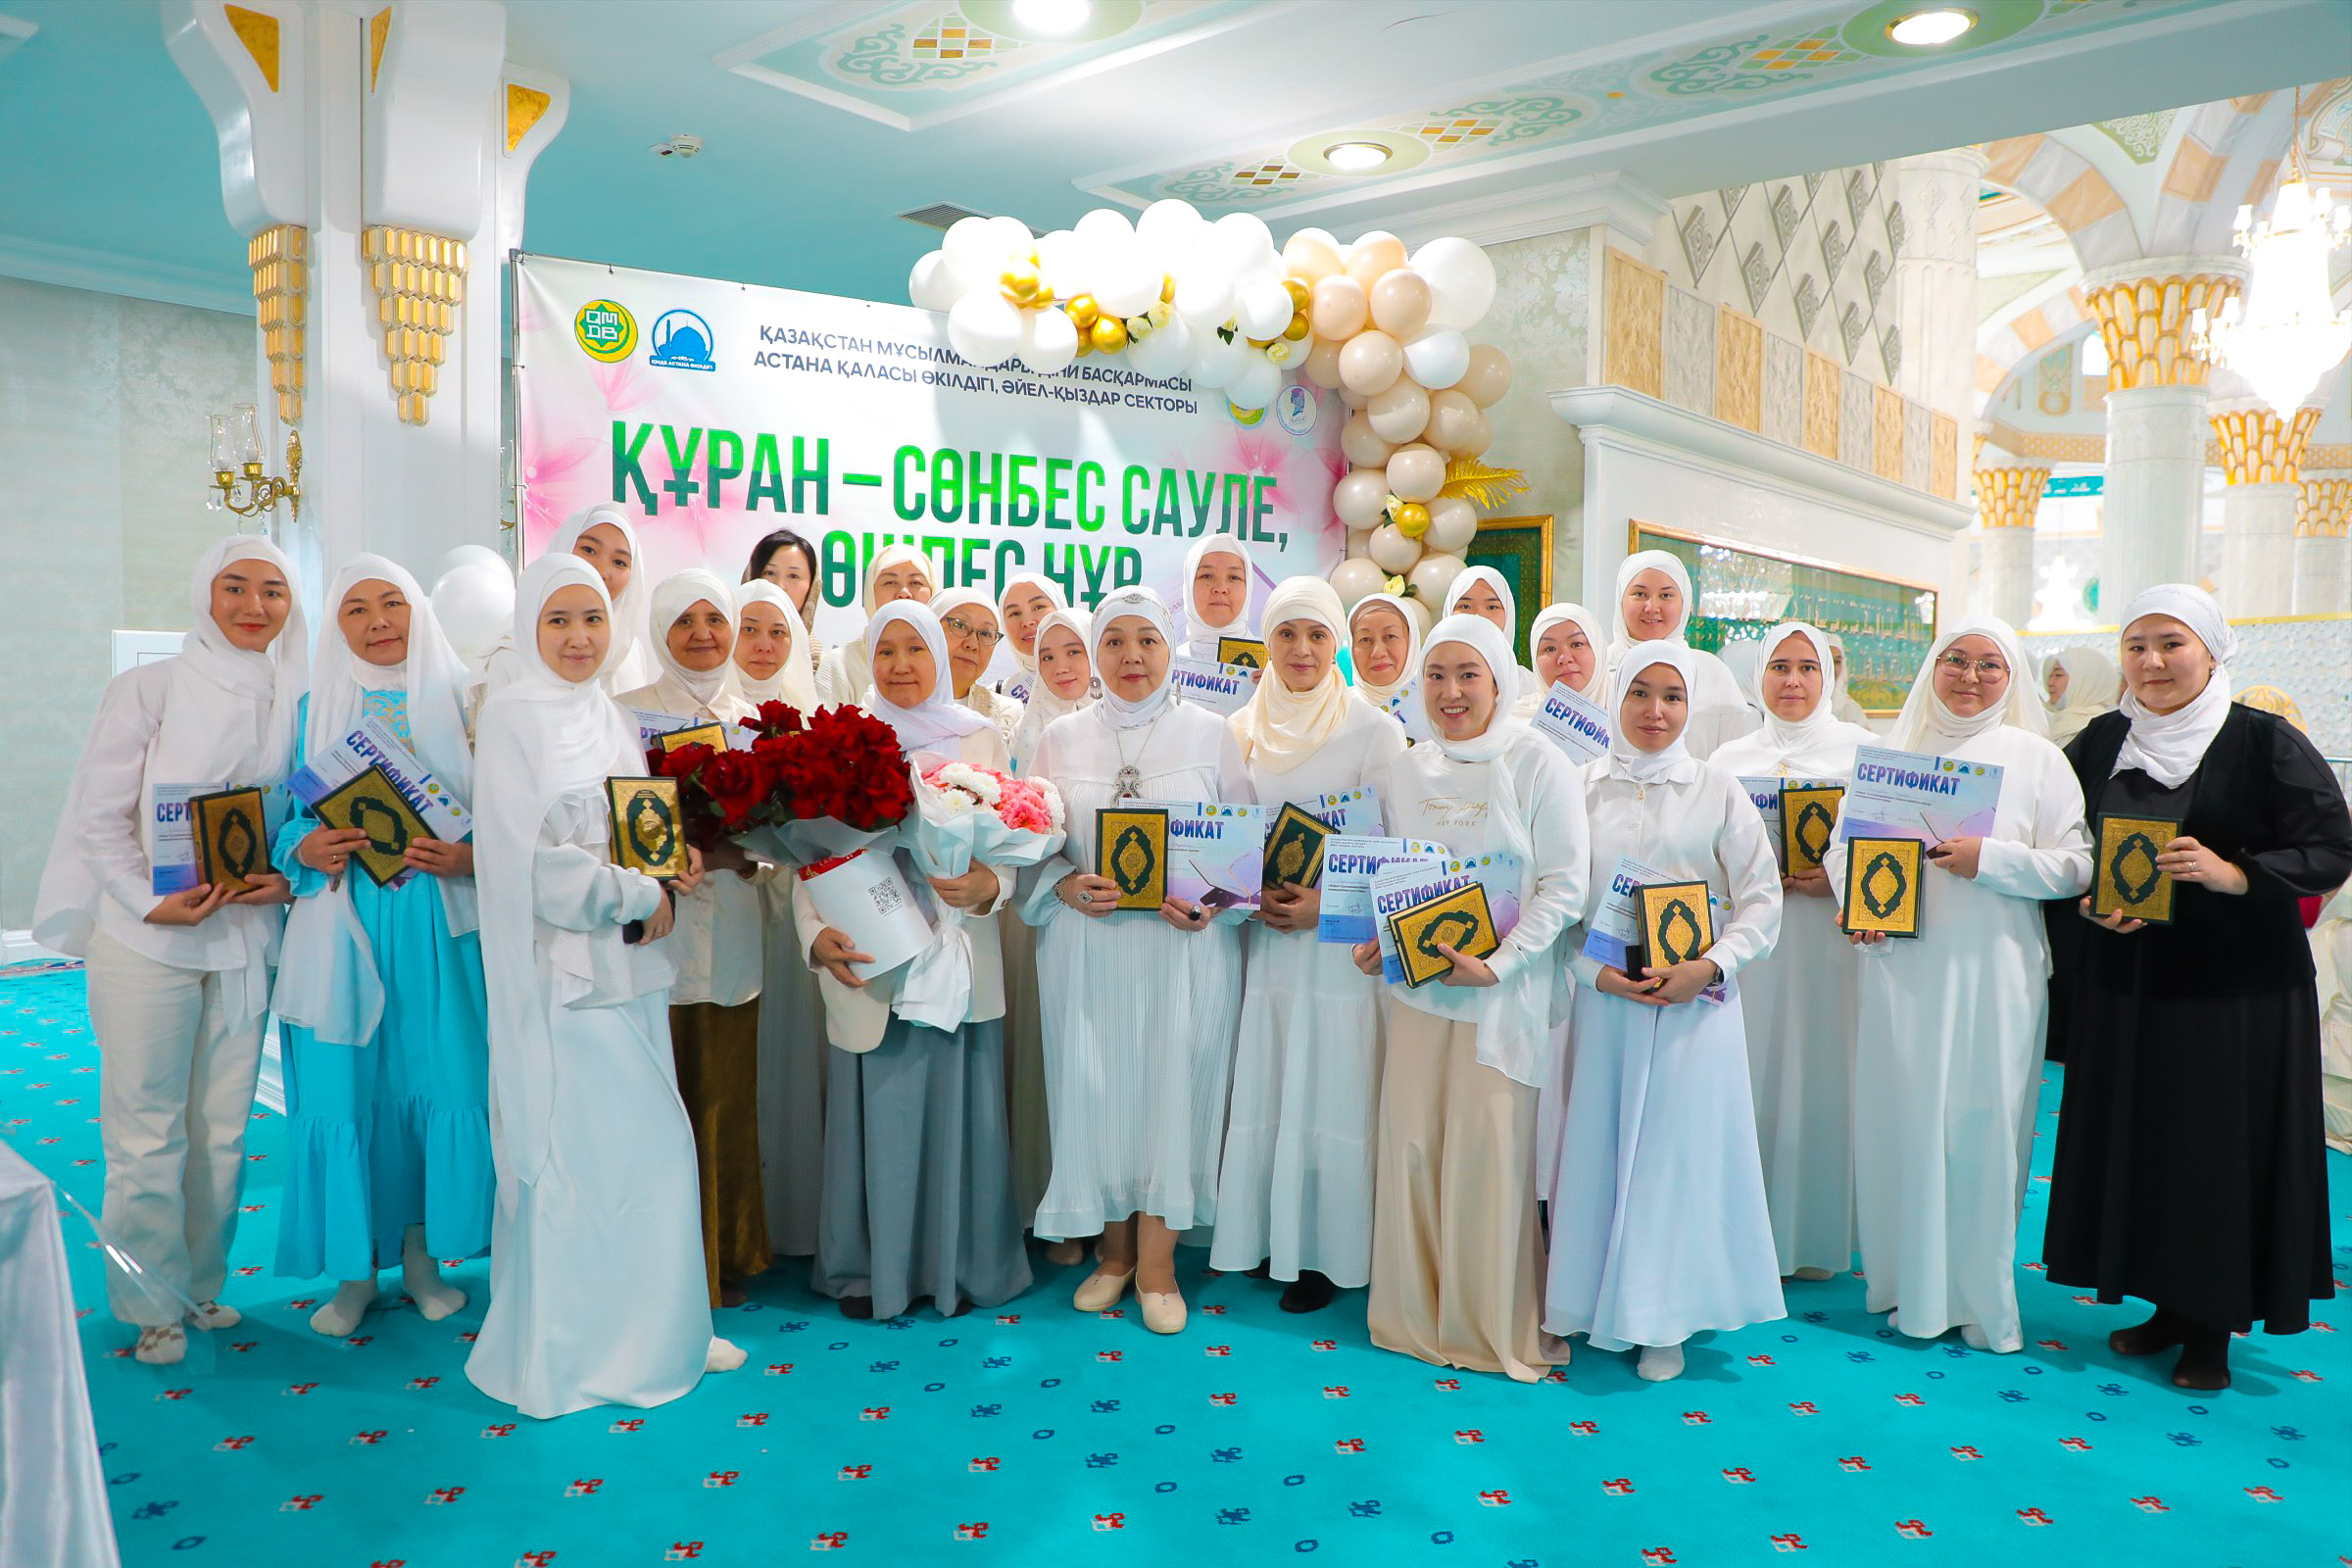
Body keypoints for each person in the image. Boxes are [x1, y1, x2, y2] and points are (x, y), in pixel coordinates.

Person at [2043, 586, 2352, 1391]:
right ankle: (2165, 1304)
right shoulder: (2103, 741)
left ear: (2213, 652)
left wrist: (2234, 874)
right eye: (2136, 645)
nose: (2152, 662)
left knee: (2216, 1154)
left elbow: (2331, 845)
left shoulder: (2262, 741)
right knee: (2146, 1145)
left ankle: (2211, 1324)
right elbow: (2063, 844)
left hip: (2234, 993)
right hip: (2129, 986)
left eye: (2171, 644)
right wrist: (2087, 903)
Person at [466, 555, 742, 1418]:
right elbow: (528, 864)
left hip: (628, 970)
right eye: (559, 620)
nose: (579, 637)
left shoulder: (607, 715)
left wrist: (672, 864)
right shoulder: (512, 718)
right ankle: (574, 1347)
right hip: (564, 982)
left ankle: (662, 1327)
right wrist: (634, 893)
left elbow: (636, 823)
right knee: (581, 1158)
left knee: (647, 1152)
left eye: (592, 618)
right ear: (530, 627)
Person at [35, 535, 307, 1365]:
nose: (254, 606)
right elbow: (98, 817)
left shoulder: (296, 695)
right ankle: (150, 1305)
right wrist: (148, 902)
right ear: (204, 594)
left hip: (242, 938)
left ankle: (201, 1288)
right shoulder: (149, 688)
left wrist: (283, 877)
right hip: (147, 939)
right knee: (148, 1131)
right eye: (235, 587)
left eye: (273, 590)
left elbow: (293, 815)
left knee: (222, 1132)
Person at [1828, 616, 2090, 1353]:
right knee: (1902, 1121)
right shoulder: (1892, 755)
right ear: (1932, 667)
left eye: (1989, 664)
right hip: (1900, 969)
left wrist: (1992, 860)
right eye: (1955, 660)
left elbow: (2077, 865)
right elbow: (1844, 847)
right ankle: (1905, 1283)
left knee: (1983, 1126)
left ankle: (1979, 1297)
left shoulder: (2037, 759)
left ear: (2011, 677)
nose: (1970, 677)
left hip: (1992, 975)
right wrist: (1857, 906)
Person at [1351, 614, 1588, 1382]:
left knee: (1488, 1155)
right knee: (1413, 1148)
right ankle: (1414, 1316)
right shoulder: (1403, 771)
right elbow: (1385, 874)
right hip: (1418, 997)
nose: (1451, 693)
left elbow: (1565, 887)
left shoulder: (1538, 761)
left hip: (1498, 1001)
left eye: (1468, 675)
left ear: (1498, 680)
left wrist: (1501, 964)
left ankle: (1487, 1326)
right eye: (1436, 676)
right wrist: (1371, 939)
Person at [1545, 643, 1785, 1381]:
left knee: (1675, 1161)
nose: (1655, 711)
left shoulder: (1717, 789)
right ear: (1614, 697)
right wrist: (1596, 976)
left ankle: (1664, 1317)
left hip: (1693, 1010)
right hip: (1604, 1007)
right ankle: (1587, 1301)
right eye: (1640, 693)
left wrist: (1710, 966)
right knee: (1598, 1148)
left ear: (1691, 706)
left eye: (1673, 696)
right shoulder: (1579, 788)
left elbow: (1762, 900)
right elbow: (1555, 906)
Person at [1019, 588, 1253, 1334]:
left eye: (1146, 640)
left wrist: (1211, 904)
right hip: (1088, 952)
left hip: (1182, 954)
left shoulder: (1211, 733)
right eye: (1114, 641)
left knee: (1173, 1094)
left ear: (1168, 649)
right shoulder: (1060, 738)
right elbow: (1030, 847)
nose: (1131, 657)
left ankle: (1158, 1268)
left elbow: (1243, 857)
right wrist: (1063, 883)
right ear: (1095, 653)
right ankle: (1112, 1256)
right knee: (1097, 1094)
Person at [270, 556, 492, 1337]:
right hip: (343, 925)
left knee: (437, 1079)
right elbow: (280, 826)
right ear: (336, 625)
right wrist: (306, 847)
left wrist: (469, 855)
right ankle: (355, 1273)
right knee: (348, 1089)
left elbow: (504, 813)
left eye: (392, 602)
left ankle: (424, 1261)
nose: (378, 622)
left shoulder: (466, 702)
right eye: (356, 609)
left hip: (439, 922)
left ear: (419, 610)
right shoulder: (311, 710)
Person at [802, 602, 1034, 1321]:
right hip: (872, 955)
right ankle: (869, 1271)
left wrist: (993, 885)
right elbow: (805, 850)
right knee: (877, 1118)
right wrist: (812, 935)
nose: (901, 664)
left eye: (916, 648)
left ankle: (959, 1267)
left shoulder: (979, 737)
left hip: (957, 953)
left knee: (958, 1117)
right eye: (886, 650)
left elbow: (1013, 832)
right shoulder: (843, 739)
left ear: (940, 655)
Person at [1211, 578, 1406, 1312]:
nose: (1301, 650)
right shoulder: (1240, 728)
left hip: (1339, 954)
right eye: (1287, 634)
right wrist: (1243, 894)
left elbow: (1398, 850)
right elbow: (1226, 838)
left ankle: (1327, 1250)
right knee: (1272, 1078)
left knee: (1333, 1086)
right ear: (1266, 642)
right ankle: (1271, 1233)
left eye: (1317, 635)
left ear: (1337, 645)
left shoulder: (1372, 730)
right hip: (1266, 947)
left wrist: (1327, 906)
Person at [618, 570, 773, 1307]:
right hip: (655, 930)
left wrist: (740, 854)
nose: (704, 634)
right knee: (656, 1099)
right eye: (685, 620)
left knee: (725, 1098)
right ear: (660, 630)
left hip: (735, 928)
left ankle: (724, 1256)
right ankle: (659, 1263)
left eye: (716, 618)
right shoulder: (624, 716)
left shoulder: (757, 725)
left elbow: (784, 844)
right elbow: (609, 817)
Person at [1709, 622, 1875, 1282]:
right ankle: (1743, 1230)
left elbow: (1891, 849)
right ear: (1760, 675)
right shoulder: (1728, 758)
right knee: (1751, 1067)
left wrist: (1835, 878)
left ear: (1828, 676)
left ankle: (1813, 1234)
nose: (1794, 681)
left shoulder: (1865, 752)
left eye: (1808, 667)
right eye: (1779, 666)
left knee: (1822, 1067)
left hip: (1829, 943)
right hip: (1753, 945)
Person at [735, 581, 828, 1262]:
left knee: (790, 1056)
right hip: (729, 906)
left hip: (796, 909)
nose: (764, 645)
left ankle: (793, 1216)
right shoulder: (705, 716)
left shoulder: (816, 723)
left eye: (778, 632)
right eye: (749, 629)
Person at [1006, 607, 1094, 1259]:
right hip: (1042, 913)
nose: (1062, 667)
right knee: (1047, 1060)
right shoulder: (1025, 734)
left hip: (1111, 922)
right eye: (1047, 656)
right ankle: (1052, 1206)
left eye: (1075, 651)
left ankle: (1101, 1213)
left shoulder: (1126, 731)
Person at [1602, 550, 1752, 758]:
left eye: (1666, 595)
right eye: (1639, 594)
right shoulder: (1598, 670)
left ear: (1684, 603)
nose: (1652, 607)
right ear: (1620, 600)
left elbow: (1733, 761)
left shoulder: (1712, 673)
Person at [815, 544, 938, 706]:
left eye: (916, 582)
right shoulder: (839, 665)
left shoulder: (944, 665)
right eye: (890, 582)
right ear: (870, 593)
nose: (904, 593)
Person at [930, 586, 1025, 753]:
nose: (972, 644)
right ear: (929, 630)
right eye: (959, 625)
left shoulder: (1009, 713)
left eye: (986, 634)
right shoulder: (892, 703)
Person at [1441, 566, 1541, 703]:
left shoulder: (1530, 687)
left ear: (1508, 616)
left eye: (1492, 607)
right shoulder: (1424, 683)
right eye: (1465, 606)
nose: (1479, 616)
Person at [1348, 591, 1430, 742]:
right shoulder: (1336, 713)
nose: (1378, 653)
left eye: (1390, 636)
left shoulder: (1439, 706)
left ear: (1411, 641)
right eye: (1365, 639)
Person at [742, 527, 825, 673]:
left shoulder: (822, 665)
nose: (780, 586)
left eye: (793, 576)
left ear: (812, 587)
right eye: (769, 573)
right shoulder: (725, 650)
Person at [1516, 602, 1604, 721]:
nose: (1564, 658)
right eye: (1550, 649)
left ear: (1598, 649)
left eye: (1576, 644)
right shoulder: (1515, 722)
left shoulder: (1624, 715)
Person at [995, 570, 1068, 707]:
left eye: (1039, 607)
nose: (1027, 622)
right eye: (1014, 613)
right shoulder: (995, 699)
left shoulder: (1101, 688)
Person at [1176, 536, 1256, 661]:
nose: (1220, 588)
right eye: (1206, 576)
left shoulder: (1273, 665)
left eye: (1234, 577)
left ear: (1248, 587)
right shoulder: (1168, 664)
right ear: (1189, 585)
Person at [2043, 647, 2123, 747]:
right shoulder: (2054, 720)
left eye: (2058, 675)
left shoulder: (2100, 728)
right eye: (2050, 675)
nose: (2050, 683)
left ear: (2083, 681)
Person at [1825, 633, 1869, 724]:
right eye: (1827, 660)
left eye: (1837, 661)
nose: (1832, 667)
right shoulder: (1799, 702)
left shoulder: (1851, 709)